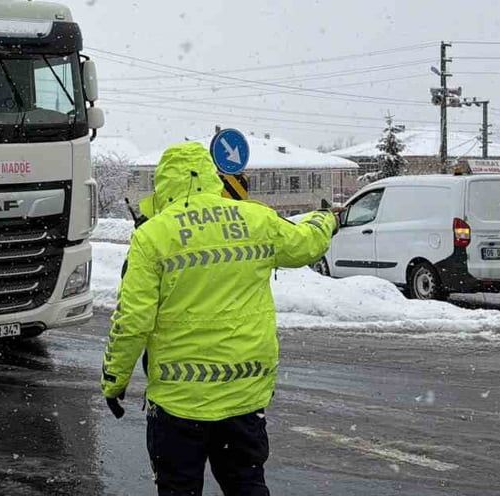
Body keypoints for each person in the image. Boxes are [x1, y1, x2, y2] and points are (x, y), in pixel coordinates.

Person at [101, 142, 337, 496]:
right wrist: (325, 219)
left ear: (164, 182)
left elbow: (133, 320)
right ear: (213, 176)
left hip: (179, 403)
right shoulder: (255, 219)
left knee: (178, 489)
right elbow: (306, 245)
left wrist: (114, 380)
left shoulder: (152, 237)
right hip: (244, 396)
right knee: (246, 485)